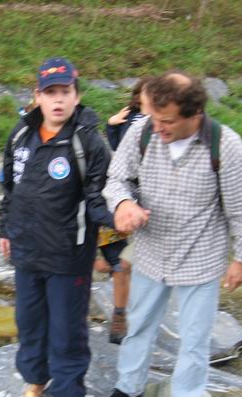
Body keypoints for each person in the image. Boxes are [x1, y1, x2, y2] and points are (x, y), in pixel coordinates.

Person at [97, 71, 242, 397]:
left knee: (194, 340)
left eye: (167, 121)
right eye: (154, 118)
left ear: (195, 114)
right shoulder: (142, 132)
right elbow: (116, 178)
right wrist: (123, 204)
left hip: (200, 258)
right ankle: (128, 387)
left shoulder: (225, 145)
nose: (158, 128)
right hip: (151, 252)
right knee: (138, 325)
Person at [0, 57, 114, 397]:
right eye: (50, 93)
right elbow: (10, 189)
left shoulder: (88, 142)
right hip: (26, 250)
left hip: (69, 253)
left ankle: (68, 396)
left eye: (65, 92)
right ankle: (36, 378)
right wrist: (5, 229)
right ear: (38, 97)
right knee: (29, 321)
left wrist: (119, 218)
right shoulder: (20, 135)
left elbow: (98, 198)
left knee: (66, 329)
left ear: (76, 96)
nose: (58, 100)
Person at [95, 77, 152, 344]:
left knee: (124, 262)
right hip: (119, 195)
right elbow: (118, 148)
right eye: (145, 92)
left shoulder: (167, 123)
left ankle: (125, 312)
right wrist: (111, 124)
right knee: (118, 262)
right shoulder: (130, 117)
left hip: (142, 197)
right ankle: (120, 312)